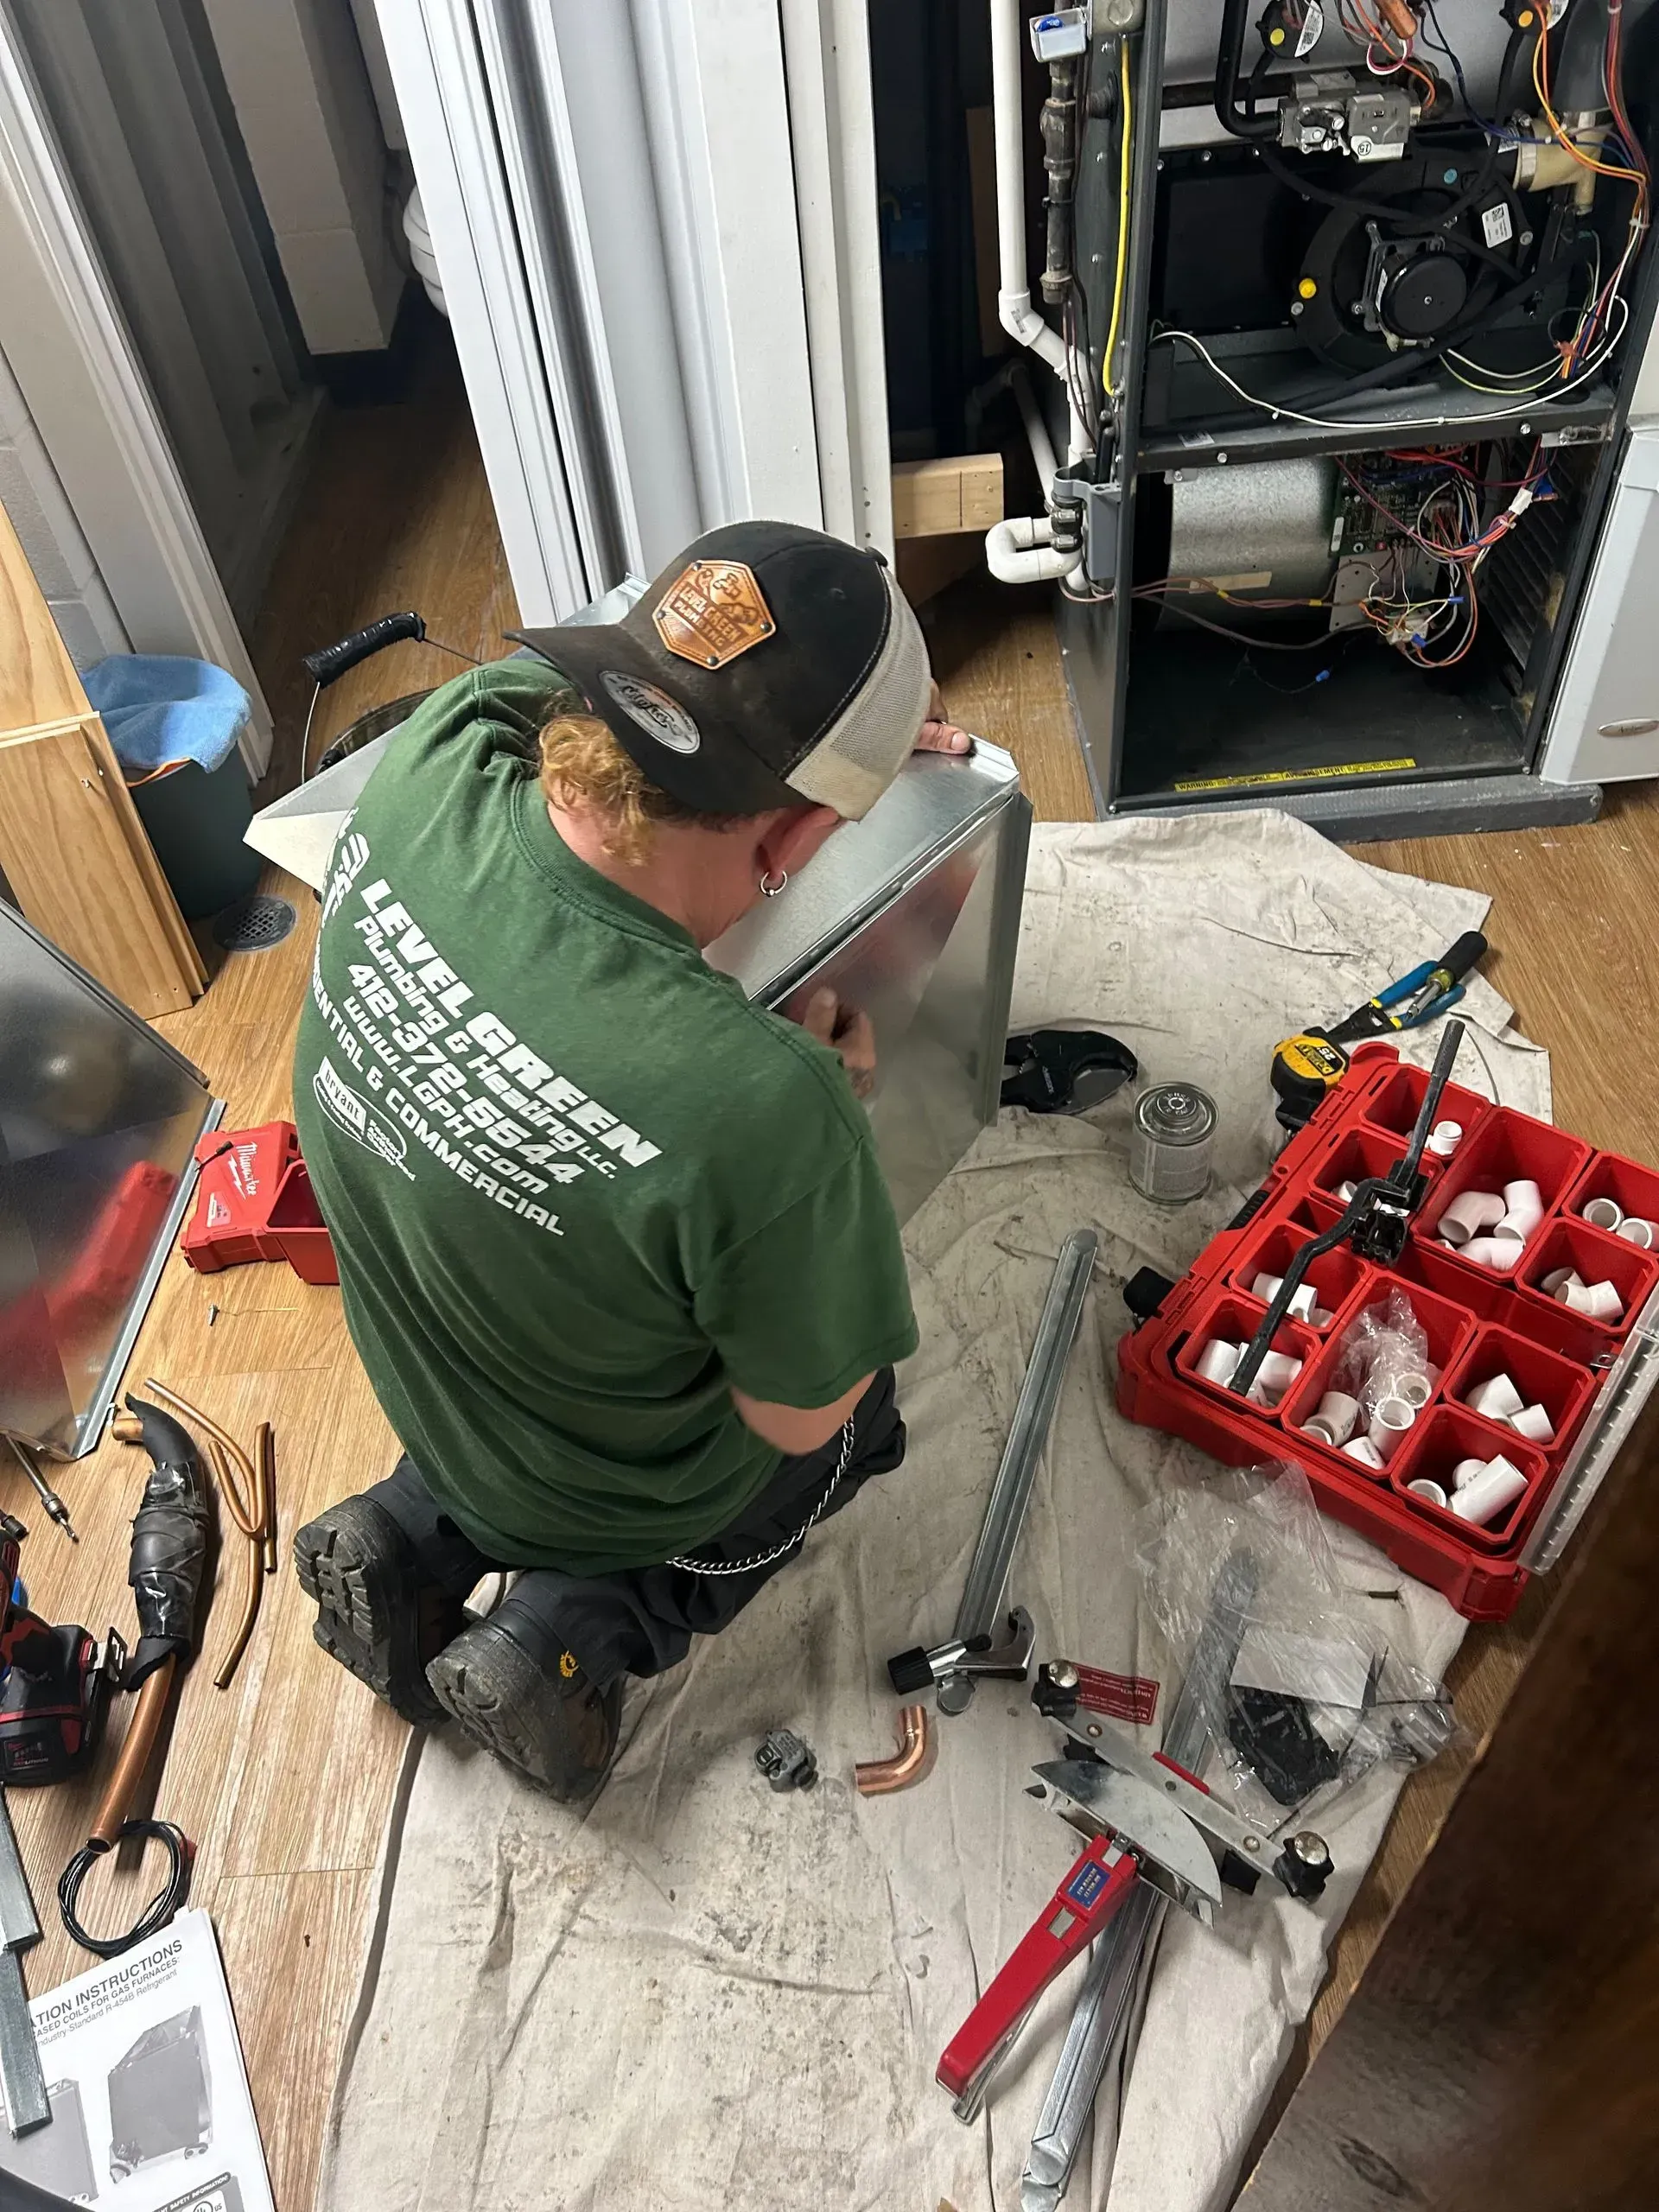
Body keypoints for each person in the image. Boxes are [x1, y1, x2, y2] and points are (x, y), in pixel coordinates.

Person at [292, 519, 973, 1798]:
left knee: (544, 1265)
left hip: (425, 1366)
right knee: (857, 1416)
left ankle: (413, 1529)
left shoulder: (436, 754)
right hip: (602, 1483)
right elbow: (797, 1413)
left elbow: (553, 688)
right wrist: (818, 1118)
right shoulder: (765, 1105)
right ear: (797, 841)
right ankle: (573, 1631)